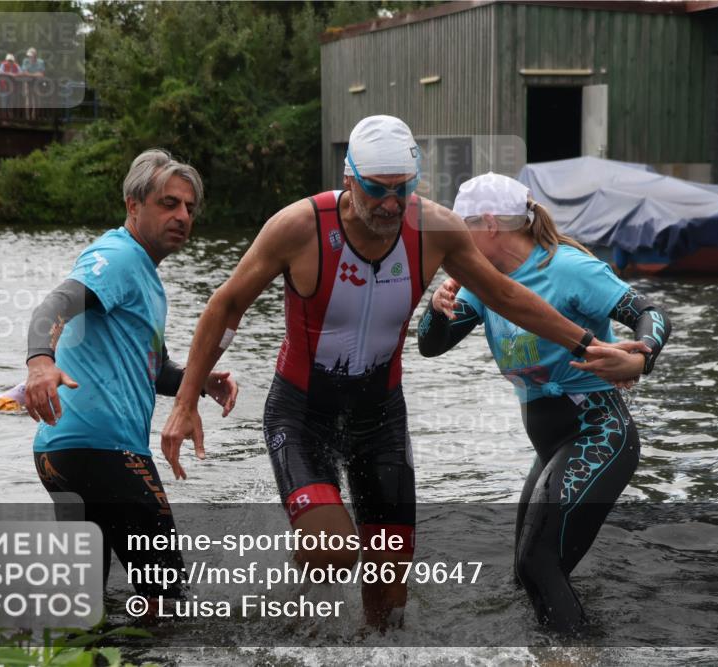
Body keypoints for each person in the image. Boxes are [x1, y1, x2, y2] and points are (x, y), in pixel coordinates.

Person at [159, 115, 647, 629]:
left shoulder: (433, 229)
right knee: (332, 553)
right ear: (349, 179)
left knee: (389, 602)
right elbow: (225, 304)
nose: (392, 204)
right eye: (377, 191)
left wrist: (590, 346)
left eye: (403, 189)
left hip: (381, 422)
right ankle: (286, 611)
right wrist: (186, 399)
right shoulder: (299, 227)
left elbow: (506, 294)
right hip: (303, 414)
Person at [416, 172, 672, 633]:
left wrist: (641, 358)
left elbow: (649, 315)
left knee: (538, 564)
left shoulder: (568, 268)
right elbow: (431, 346)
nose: (454, 240)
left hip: (599, 433)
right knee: (526, 574)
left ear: (490, 225)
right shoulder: (482, 283)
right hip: (551, 447)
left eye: (461, 227)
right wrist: (435, 309)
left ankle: (576, 657)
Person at [25, 149, 238, 601]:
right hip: (103, 452)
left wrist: (197, 381)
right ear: (133, 205)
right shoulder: (118, 256)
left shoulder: (145, 277)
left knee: (85, 604)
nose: (182, 215)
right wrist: (41, 362)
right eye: (168, 203)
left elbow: (152, 370)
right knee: (166, 597)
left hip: (60, 456)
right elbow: (56, 304)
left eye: (189, 207)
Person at [20, 47, 45, 120]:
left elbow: (42, 74)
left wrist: (30, 74)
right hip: (27, 83)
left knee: (37, 102)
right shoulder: (25, 61)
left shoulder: (41, 62)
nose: (30, 57)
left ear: (35, 55)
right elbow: (24, 72)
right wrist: (35, 74)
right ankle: (28, 118)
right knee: (28, 101)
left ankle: (34, 118)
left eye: (31, 55)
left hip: (37, 84)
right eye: (29, 55)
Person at [0, 54, 21, 118]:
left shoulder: (16, 65)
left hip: (13, 88)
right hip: (4, 88)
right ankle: (4, 120)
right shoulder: (3, 64)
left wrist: (15, 75)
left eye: (11, 61)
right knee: (4, 105)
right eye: (8, 60)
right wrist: (9, 74)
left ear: (13, 61)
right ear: (6, 60)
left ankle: (11, 120)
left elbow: (21, 73)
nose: (9, 62)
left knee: (11, 106)